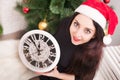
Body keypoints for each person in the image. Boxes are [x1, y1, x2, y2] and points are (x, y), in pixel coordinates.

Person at [36, 0, 118, 80]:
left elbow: (83, 78)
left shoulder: (92, 54)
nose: (77, 34)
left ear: (94, 35)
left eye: (87, 31)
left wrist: (57, 75)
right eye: (76, 24)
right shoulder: (64, 24)